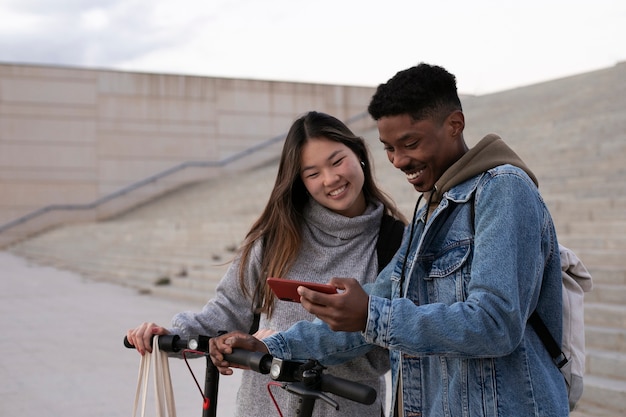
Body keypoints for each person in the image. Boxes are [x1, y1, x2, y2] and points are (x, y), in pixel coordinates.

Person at [210, 64, 569, 417]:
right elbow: (369, 316)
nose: (399, 160)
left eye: (409, 143)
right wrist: (268, 345)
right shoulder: (430, 210)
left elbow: (495, 324)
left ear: (454, 124)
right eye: (388, 148)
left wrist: (370, 313)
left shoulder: (503, 189)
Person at [126, 111, 407, 417]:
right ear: (300, 182)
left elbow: (384, 352)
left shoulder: (396, 244)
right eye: (313, 173)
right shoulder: (276, 238)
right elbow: (228, 311)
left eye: (337, 161)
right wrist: (170, 333)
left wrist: (278, 346)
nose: (330, 179)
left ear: (359, 154)